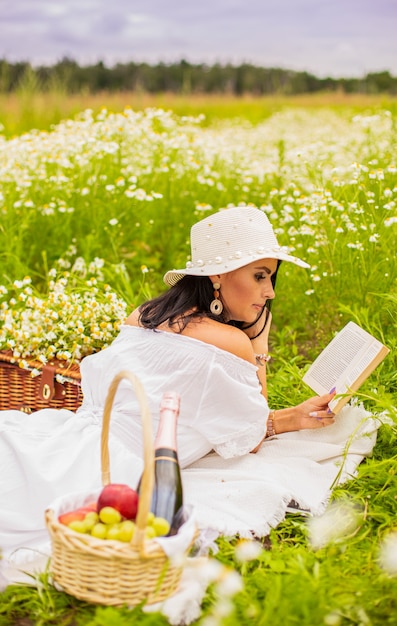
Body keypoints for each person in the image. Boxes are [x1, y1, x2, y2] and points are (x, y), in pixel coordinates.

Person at [0, 206, 376, 568]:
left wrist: (292, 417)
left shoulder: (144, 315)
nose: (270, 292)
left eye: (271, 278)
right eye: (260, 276)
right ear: (217, 276)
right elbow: (250, 435)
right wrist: (259, 343)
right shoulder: (230, 343)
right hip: (113, 466)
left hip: (69, 436)